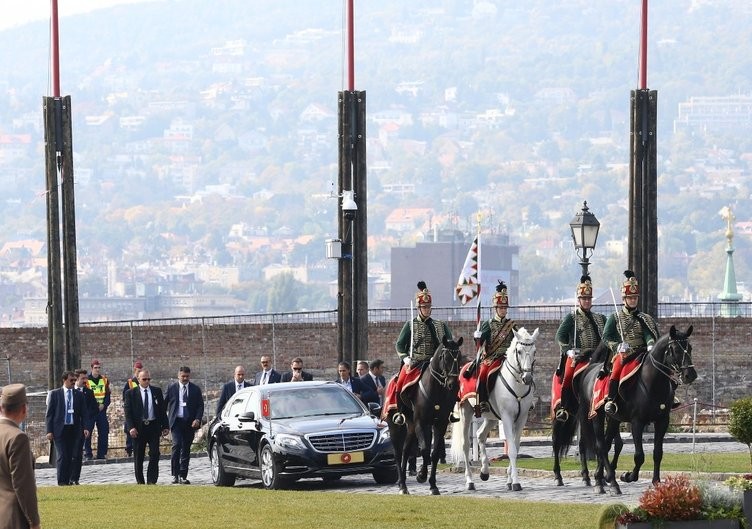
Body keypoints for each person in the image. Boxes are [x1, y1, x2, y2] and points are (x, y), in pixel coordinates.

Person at [383, 281, 454, 424]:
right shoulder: (410, 325)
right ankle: (401, 412)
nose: (427, 310)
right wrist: (405, 358)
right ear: (418, 308)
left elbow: (450, 344)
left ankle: (451, 411)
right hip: (416, 362)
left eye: (428, 307)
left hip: (436, 364)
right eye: (424, 307)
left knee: (453, 381)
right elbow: (399, 345)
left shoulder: (440, 325)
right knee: (401, 381)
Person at [602, 270, 659, 416]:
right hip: (624, 353)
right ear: (624, 299)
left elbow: (648, 334)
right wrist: (617, 346)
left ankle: (666, 396)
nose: (633, 300)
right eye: (630, 297)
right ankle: (612, 399)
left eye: (635, 297)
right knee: (616, 367)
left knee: (658, 366)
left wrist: (651, 343)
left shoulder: (643, 317)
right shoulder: (615, 317)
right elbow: (606, 337)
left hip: (642, 352)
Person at [553, 275, 606, 422]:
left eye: (589, 298)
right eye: (584, 298)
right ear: (579, 300)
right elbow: (560, 336)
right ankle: (564, 407)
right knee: (569, 375)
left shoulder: (600, 318)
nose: (587, 301)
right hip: (579, 356)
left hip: (598, 356)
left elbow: (607, 334)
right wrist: (568, 349)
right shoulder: (572, 317)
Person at [468, 281, 518, 416]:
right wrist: (477, 337)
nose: (503, 310)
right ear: (495, 308)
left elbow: (518, 342)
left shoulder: (512, 325)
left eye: (505, 308)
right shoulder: (488, 324)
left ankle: (527, 399)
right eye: (501, 307)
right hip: (492, 357)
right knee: (483, 374)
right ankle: (483, 401)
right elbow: (480, 345)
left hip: (508, 358)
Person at [0, 384, 41, 529]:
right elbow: (23, 485)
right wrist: (34, 521)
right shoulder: (17, 438)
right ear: (24, 409)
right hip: (13, 517)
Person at [45, 371, 91, 486]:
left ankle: (71, 479)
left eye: (75, 380)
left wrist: (86, 427)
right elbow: (49, 414)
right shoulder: (55, 394)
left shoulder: (78, 395)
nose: (73, 383)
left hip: (74, 429)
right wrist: (49, 431)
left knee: (73, 455)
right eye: (71, 380)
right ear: (64, 380)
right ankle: (62, 481)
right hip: (59, 430)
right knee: (62, 455)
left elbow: (84, 413)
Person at [123, 369, 169, 484]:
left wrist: (165, 425)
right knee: (139, 455)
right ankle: (140, 481)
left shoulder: (156, 391)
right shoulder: (131, 393)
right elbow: (128, 413)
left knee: (154, 453)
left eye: (149, 379)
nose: (147, 381)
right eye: (144, 379)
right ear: (138, 380)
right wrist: (131, 427)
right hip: (139, 428)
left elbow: (162, 411)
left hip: (153, 426)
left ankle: (152, 480)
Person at [166, 366, 204, 485]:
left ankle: (183, 475)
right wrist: (164, 423)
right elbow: (164, 404)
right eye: (183, 376)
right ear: (178, 376)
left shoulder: (195, 389)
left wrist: (197, 419)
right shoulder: (172, 388)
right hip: (176, 422)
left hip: (189, 423)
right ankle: (175, 474)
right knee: (176, 445)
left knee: (186, 449)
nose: (185, 378)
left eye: (187, 376)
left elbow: (200, 406)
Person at [69, 369, 97, 485]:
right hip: (69, 426)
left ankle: (75, 478)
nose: (85, 381)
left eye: (86, 378)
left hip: (82, 427)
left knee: (78, 454)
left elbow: (93, 409)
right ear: (76, 379)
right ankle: (67, 476)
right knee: (68, 454)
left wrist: (88, 425)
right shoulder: (70, 392)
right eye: (83, 379)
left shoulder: (88, 393)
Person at [84, 359, 110, 460]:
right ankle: (88, 454)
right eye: (95, 368)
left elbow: (107, 394)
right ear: (92, 368)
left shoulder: (104, 380)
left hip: (101, 410)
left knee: (104, 432)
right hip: (90, 411)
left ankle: (101, 454)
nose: (97, 370)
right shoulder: (87, 381)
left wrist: (104, 404)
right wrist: (94, 406)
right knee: (88, 432)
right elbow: (86, 396)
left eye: (99, 368)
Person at [122, 361, 143, 457]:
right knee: (130, 429)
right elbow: (124, 397)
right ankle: (129, 449)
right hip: (132, 410)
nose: (139, 372)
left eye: (141, 370)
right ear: (135, 371)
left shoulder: (143, 382)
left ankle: (136, 449)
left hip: (141, 411)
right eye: (138, 371)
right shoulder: (130, 383)